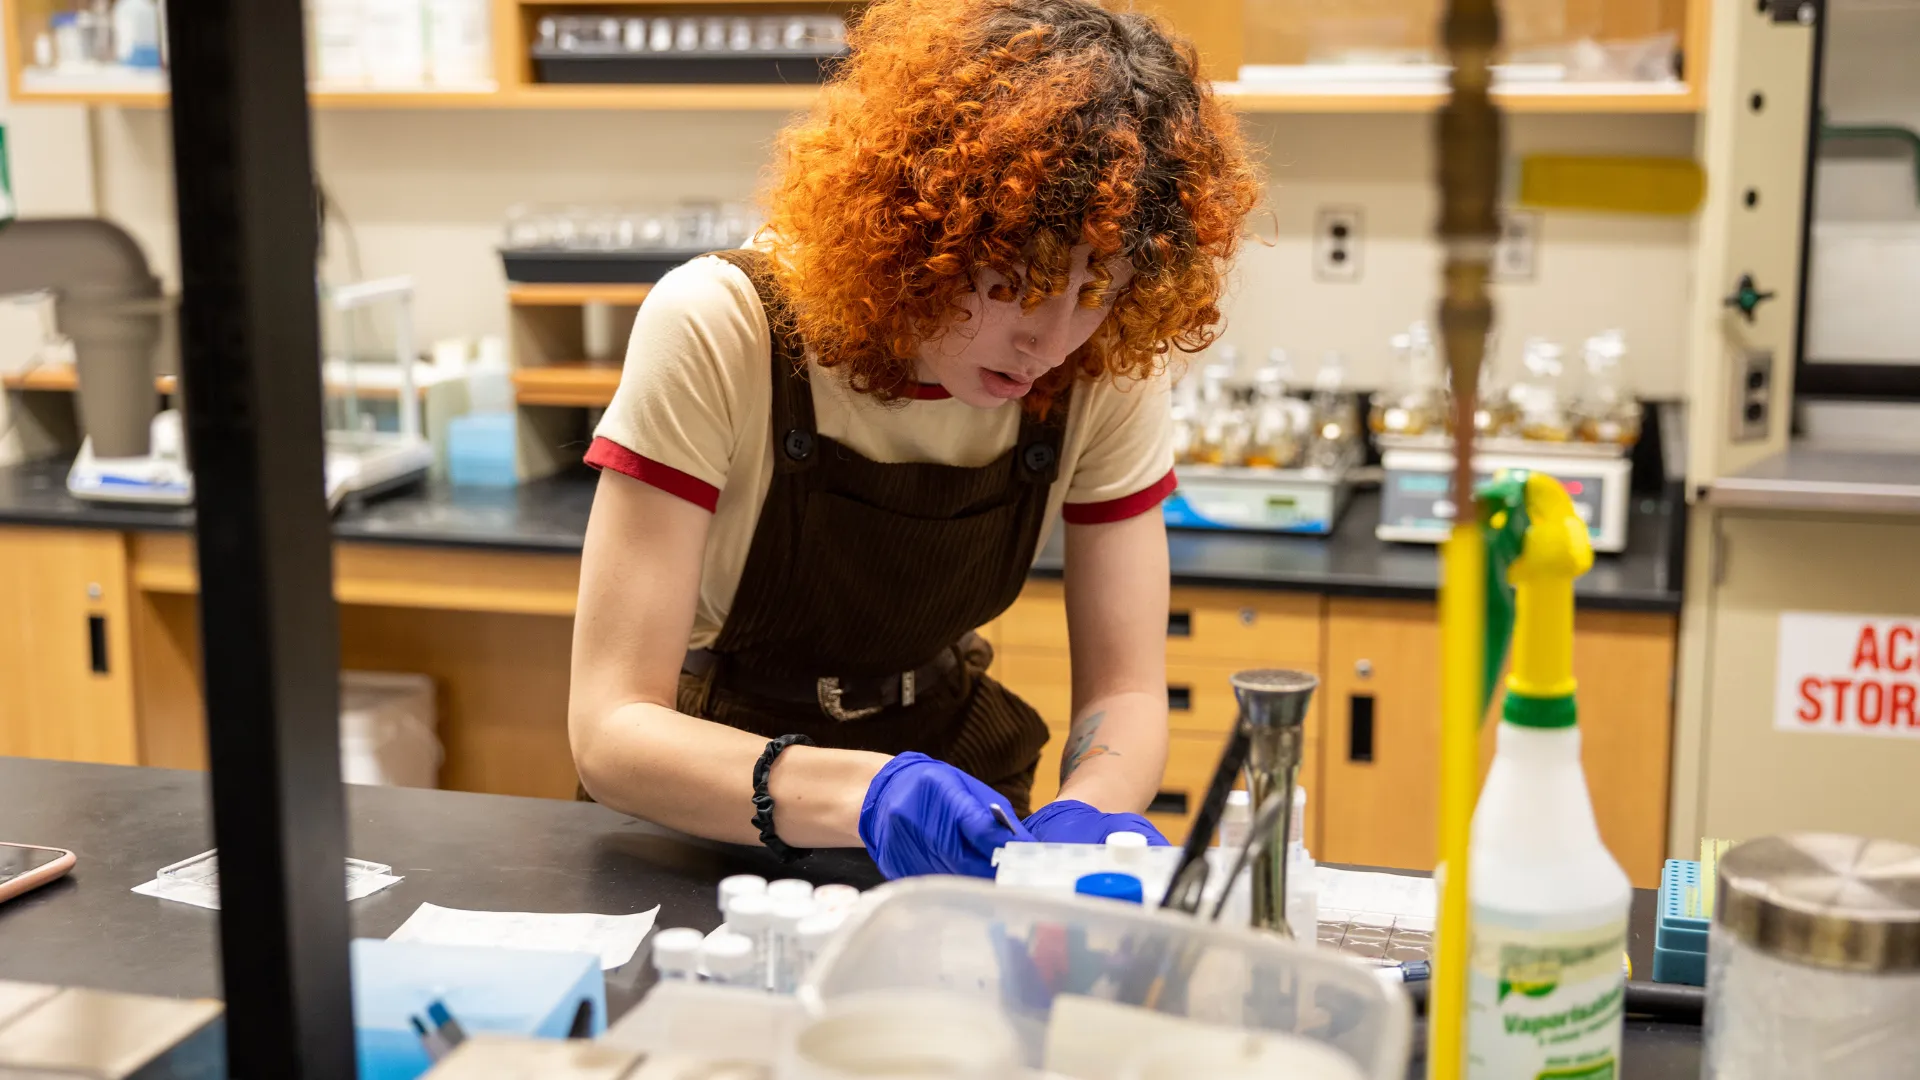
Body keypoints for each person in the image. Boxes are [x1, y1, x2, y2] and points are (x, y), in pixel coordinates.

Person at [568, 0, 1260, 879]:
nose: (1048, 342)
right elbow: (611, 729)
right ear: (920, 232)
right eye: (1013, 281)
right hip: (705, 803)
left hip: (957, 791)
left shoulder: (1103, 369)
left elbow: (1124, 690)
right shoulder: (725, 325)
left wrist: (1091, 811)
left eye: (1097, 291)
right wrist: (868, 796)